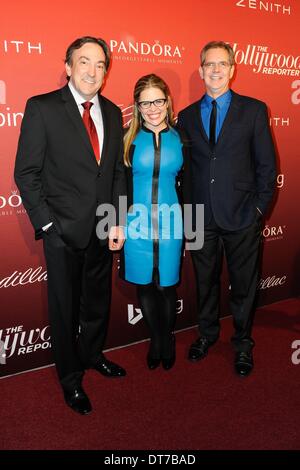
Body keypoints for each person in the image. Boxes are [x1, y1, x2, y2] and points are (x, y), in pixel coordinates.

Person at [14, 36, 127, 415]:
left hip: (102, 229)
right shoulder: (43, 108)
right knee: (64, 310)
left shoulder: (113, 112)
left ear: (106, 72)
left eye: (99, 65)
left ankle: (94, 355)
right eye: (84, 62)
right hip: (61, 232)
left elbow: (115, 174)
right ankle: (71, 379)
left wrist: (117, 220)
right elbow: (26, 173)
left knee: (97, 301)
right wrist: (48, 226)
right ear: (68, 66)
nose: (92, 71)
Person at [177, 41, 276, 376]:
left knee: (244, 285)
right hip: (201, 217)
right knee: (204, 283)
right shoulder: (186, 116)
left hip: (242, 216)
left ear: (233, 70)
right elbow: (186, 171)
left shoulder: (254, 110)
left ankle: (243, 344)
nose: (215, 70)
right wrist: (187, 215)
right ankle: (206, 335)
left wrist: (259, 210)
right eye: (209, 64)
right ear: (201, 69)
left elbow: (267, 165)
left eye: (222, 64)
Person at [120, 74, 186, 371]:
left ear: (167, 101)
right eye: (145, 103)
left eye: (158, 100)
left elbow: (190, 185)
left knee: (167, 285)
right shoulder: (128, 139)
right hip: (136, 223)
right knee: (145, 285)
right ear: (137, 106)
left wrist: (194, 228)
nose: (152, 108)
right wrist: (118, 222)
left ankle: (166, 339)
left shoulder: (181, 138)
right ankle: (156, 340)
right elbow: (119, 185)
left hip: (173, 222)